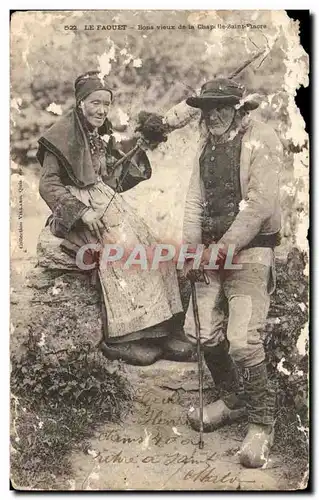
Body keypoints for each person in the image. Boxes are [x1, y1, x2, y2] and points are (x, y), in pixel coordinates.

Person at [36, 70, 193, 365]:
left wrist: (138, 147)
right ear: (81, 102)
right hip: (78, 211)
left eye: (106, 104)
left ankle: (165, 329)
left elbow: (108, 174)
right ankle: (124, 337)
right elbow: (49, 184)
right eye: (95, 102)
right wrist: (82, 213)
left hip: (102, 199)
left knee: (149, 244)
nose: (101, 110)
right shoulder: (60, 136)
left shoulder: (99, 133)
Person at [163, 78, 282, 468]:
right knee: (199, 331)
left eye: (222, 106)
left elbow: (260, 205)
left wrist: (221, 250)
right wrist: (192, 250)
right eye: (206, 108)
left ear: (238, 107)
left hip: (250, 252)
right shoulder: (205, 143)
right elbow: (194, 201)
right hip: (212, 253)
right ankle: (232, 399)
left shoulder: (261, 139)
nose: (212, 115)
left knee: (243, 339)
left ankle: (263, 423)